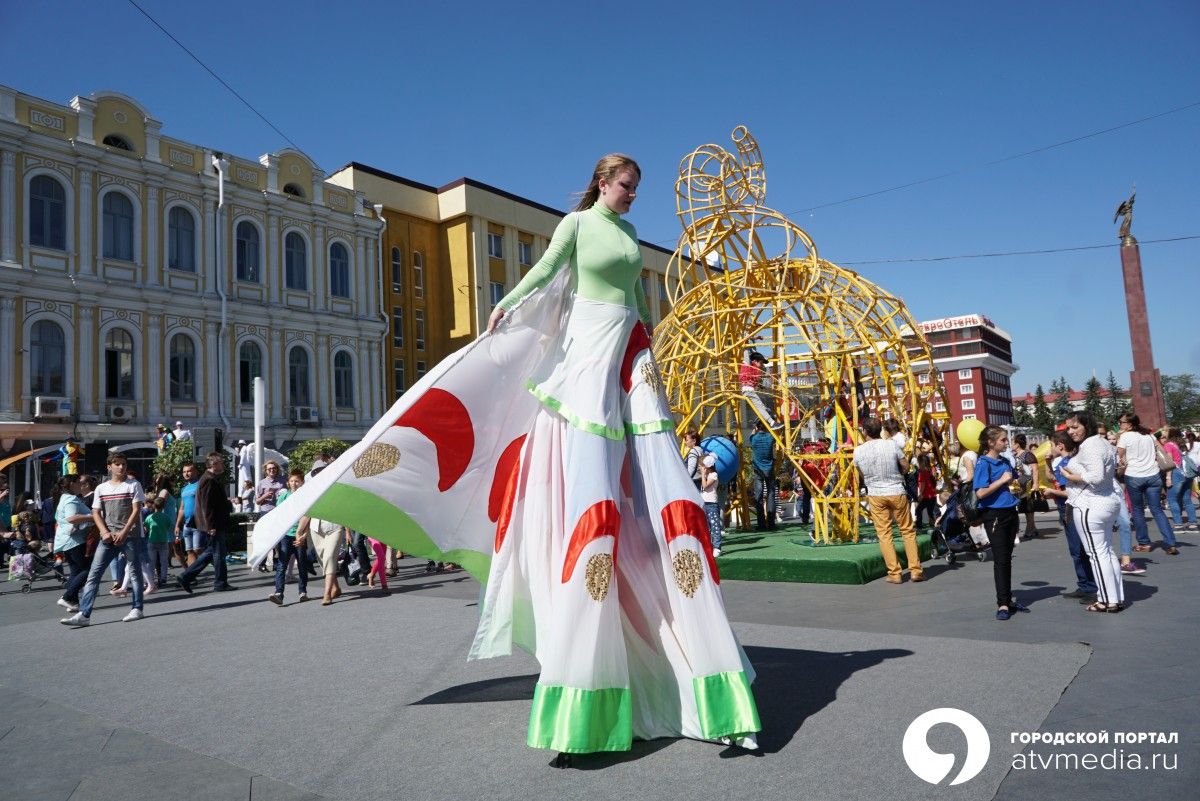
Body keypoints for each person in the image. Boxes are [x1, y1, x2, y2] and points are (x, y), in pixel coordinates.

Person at [252, 153, 760, 757]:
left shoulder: (625, 232)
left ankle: (711, 685)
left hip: (628, 364)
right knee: (591, 517)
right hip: (582, 373)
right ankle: (587, 693)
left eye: (635, 190)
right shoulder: (578, 226)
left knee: (669, 504)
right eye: (626, 187)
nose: (632, 198)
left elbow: (636, 303)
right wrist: (505, 306)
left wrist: (646, 356)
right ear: (604, 183)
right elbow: (546, 270)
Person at [61, 453, 148, 626]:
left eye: (123, 464)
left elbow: (136, 510)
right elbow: (96, 512)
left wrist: (124, 532)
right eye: (117, 464)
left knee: (134, 572)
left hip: (131, 535)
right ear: (109, 467)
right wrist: (104, 532)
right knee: (94, 574)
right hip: (107, 536)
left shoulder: (133, 485)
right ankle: (84, 615)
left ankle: (137, 608)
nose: (121, 467)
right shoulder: (102, 488)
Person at [1062, 412, 1125, 612]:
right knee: (1106, 551)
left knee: (1097, 554)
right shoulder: (1102, 442)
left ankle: (1106, 599)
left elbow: (1096, 476)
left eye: (1075, 427)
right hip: (1104, 501)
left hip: (1091, 504)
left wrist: (1072, 476)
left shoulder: (1091, 445)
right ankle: (1115, 596)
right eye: (1069, 428)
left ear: (1086, 425)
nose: (1071, 432)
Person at [853, 417, 925, 584]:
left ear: (864, 432)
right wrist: (899, 474)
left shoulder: (858, 451)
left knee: (884, 534)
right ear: (881, 431)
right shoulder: (891, 445)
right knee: (907, 531)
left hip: (876, 493)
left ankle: (895, 573)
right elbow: (906, 466)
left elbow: (861, 473)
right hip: (896, 490)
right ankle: (915, 570)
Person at [973, 426, 1026, 620]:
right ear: (991, 442)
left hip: (1010, 511)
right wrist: (1002, 481)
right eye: (1003, 440)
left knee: (1006, 558)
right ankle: (1002, 603)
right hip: (994, 514)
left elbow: (1013, 483)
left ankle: (1008, 598)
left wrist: (1016, 484)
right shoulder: (983, 463)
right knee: (1000, 559)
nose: (1006, 443)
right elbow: (980, 492)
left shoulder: (1004, 461)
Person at [1041, 431, 1098, 603]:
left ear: (1060, 445)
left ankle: (1091, 588)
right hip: (1065, 508)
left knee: (1079, 548)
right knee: (1075, 549)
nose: (1050, 448)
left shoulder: (1070, 463)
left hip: (1071, 508)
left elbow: (1070, 492)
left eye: (1052, 444)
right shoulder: (1061, 461)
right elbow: (1052, 477)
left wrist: (1052, 492)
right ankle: (1084, 584)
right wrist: (1047, 462)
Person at [1116, 413, 1178, 555]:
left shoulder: (1125, 436)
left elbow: (1118, 455)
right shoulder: (1149, 436)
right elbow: (1160, 450)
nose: (1120, 424)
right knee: (1157, 509)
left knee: (1137, 510)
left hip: (1134, 476)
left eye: (1121, 422)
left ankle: (1144, 543)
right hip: (1153, 475)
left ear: (1129, 424)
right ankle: (1170, 543)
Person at [176, 452, 235, 594]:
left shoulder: (210, 478)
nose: (223, 465)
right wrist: (210, 526)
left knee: (212, 552)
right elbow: (206, 505)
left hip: (215, 523)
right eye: (221, 463)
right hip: (214, 524)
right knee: (218, 553)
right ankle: (219, 583)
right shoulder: (208, 480)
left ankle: (186, 576)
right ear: (214, 464)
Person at [267, 469, 310, 605]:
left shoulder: (306, 496)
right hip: (286, 535)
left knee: (302, 564)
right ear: (288, 483)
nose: (294, 483)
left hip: (299, 535)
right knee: (281, 565)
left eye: (297, 481)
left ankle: (302, 592)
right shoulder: (284, 496)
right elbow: (278, 516)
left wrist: (304, 535)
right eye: (291, 481)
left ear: (302, 482)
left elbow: (309, 517)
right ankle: (279, 593)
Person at [52, 474, 93, 614]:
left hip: (68, 540)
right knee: (87, 570)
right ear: (71, 484)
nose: (81, 485)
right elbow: (71, 518)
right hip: (74, 540)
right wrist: (92, 517)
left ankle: (73, 602)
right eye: (78, 483)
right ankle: (67, 596)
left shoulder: (65, 498)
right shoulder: (70, 499)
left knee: (76, 572)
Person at [1162, 428, 1196, 530]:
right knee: (1187, 499)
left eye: (1165, 433)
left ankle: (1178, 523)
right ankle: (1193, 523)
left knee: (1172, 499)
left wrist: (1168, 477)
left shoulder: (1168, 445)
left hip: (1176, 473)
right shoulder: (1181, 445)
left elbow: (1170, 463)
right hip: (1187, 474)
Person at [748, 420, 777, 530]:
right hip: (769, 468)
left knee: (758, 496)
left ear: (757, 428)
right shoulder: (770, 437)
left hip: (758, 469)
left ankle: (761, 524)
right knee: (771, 494)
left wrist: (753, 431)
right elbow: (775, 437)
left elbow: (750, 437)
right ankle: (771, 523)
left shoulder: (753, 438)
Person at [1011, 433, 1041, 539]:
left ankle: (1030, 529)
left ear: (1017, 444)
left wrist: (1036, 484)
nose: (1010, 444)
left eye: (1012, 441)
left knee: (1028, 509)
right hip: (1017, 486)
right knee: (1020, 508)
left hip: (1027, 486)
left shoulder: (1028, 455)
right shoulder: (1014, 456)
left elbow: (1035, 469)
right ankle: (1033, 529)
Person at [739, 351, 779, 429]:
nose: (762, 365)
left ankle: (765, 412)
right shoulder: (748, 364)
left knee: (761, 403)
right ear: (755, 361)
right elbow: (746, 351)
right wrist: (748, 340)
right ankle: (772, 422)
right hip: (748, 390)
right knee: (759, 406)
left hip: (751, 390)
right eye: (761, 363)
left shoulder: (756, 370)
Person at [175, 463, 204, 566]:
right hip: (187, 524)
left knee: (198, 550)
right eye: (184, 472)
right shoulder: (184, 489)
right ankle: (190, 576)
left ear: (196, 472)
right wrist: (178, 525)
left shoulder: (201, 485)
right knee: (189, 551)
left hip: (198, 523)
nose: (186, 474)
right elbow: (182, 508)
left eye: (189, 471)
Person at [700, 454, 724, 557]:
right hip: (704, 503)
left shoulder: (713, 475)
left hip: (712, 503)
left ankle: (717, 547)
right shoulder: (706, 476)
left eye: (701, 465)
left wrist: (702, 474)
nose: (700, 467)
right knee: (706, 526)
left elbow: (705, 487)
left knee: (715, 525)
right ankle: (708, 545)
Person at [913, 454, 939, 529]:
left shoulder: (922, 473)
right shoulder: (931, 470)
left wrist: (920, 494)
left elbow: (922, 485)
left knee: (918, 510)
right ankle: (934, 525)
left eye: (918, 463)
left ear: (921, 463)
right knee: (930, 512)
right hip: (932, 495)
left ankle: (919, 526)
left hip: (926, 496)